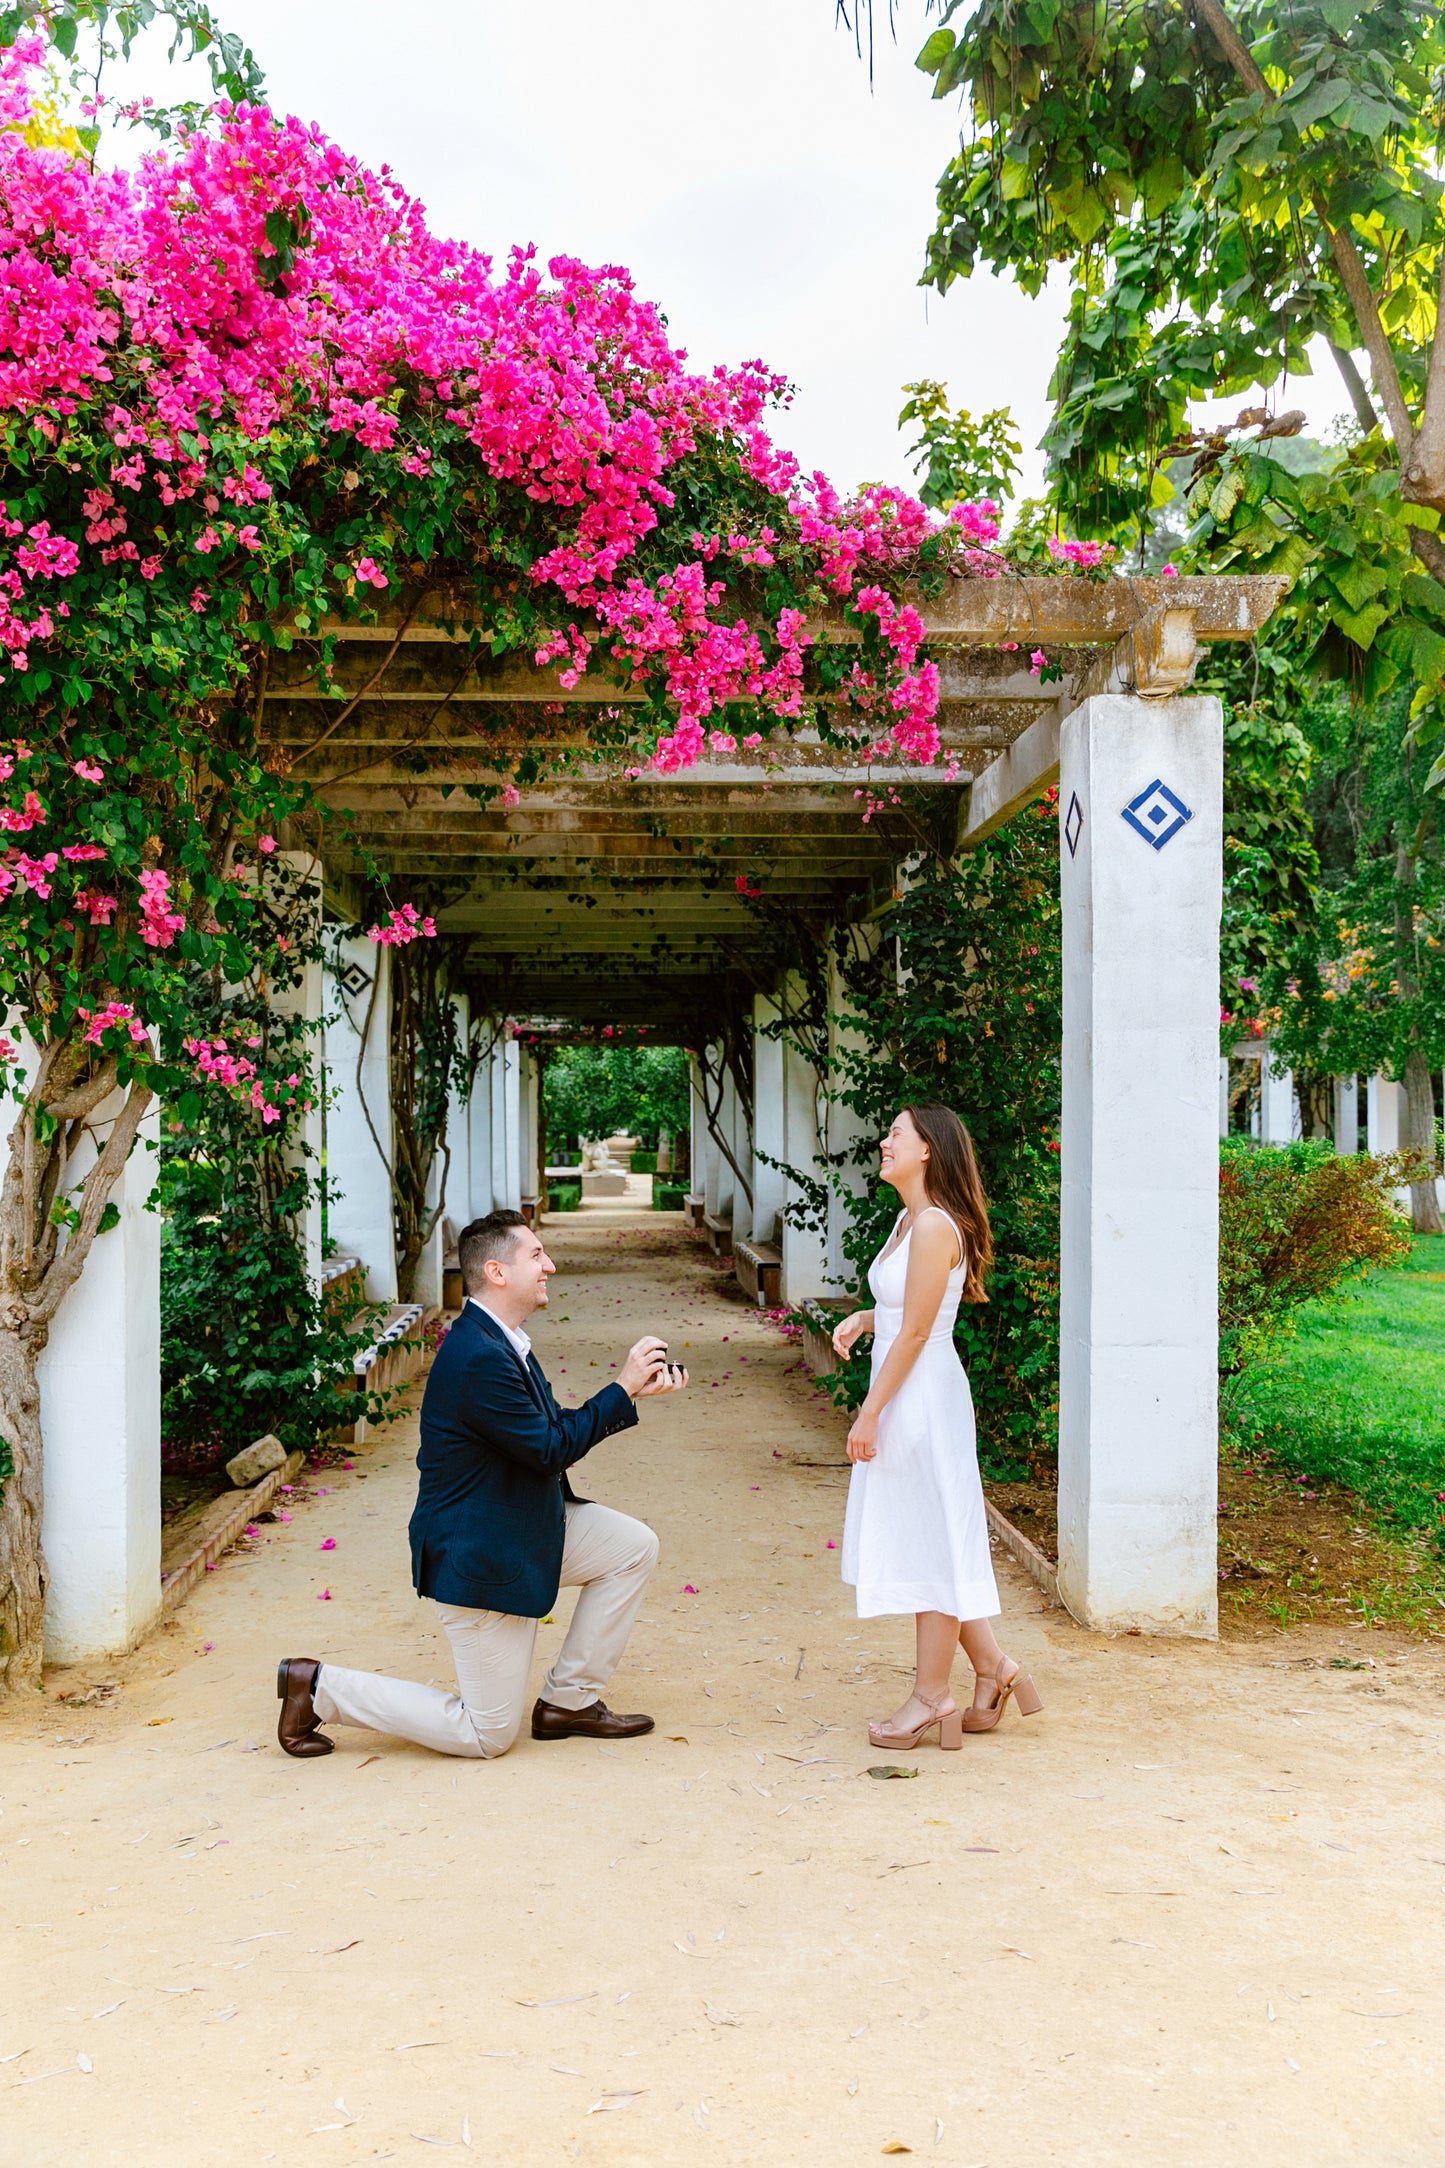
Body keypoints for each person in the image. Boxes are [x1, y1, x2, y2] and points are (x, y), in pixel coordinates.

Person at [275, 1208, 687, 1760]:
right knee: (486, 1735)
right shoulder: (477, 1357)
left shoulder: (500, 1339)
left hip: (521, 1524)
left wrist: (627, 1396)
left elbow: (540, 1433)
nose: (551, 1266)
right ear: (497, 1272)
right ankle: (319, 1688)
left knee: (631, 1547)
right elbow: (548, 1449)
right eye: (537, 1256)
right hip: (481, 1555)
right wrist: (619, 1385)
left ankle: (568, 1700)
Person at [832, 1105, 1042, 1749]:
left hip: (919, 1397)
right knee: (937, 1536)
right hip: (907, 1386)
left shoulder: (933, 1227)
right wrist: (866, 1319)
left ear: (929, 1149)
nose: (884, 1140)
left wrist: (870, 1412)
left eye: (897, 1132)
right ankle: (995, 1670)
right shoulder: (908, 1221)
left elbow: (923, 1330)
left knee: (931, 1540)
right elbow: (908, 1310)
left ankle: (931, 1698)